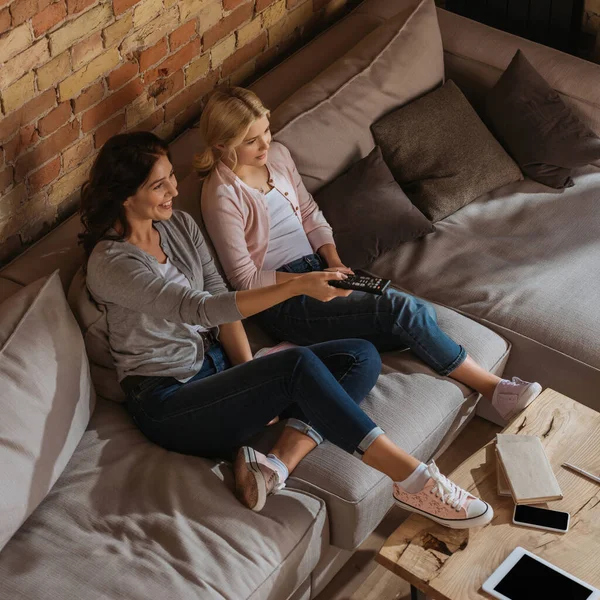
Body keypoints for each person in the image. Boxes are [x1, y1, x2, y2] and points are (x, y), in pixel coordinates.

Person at [80, 131, 494, 529]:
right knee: (295, 364)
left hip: (219, 373)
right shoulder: (112, 263)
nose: (173, 189)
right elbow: (202, 308)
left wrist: (249, 375)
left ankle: (276, 464)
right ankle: (412, 480)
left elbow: (224, 304)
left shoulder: (179, 226)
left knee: (360, 354)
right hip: (169, 401)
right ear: (123, 196)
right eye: (158, 185)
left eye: (171, 176)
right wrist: (295, 285)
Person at [198, 86, 542, 422]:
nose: (265, 144)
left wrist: (332, 262)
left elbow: (308, 213)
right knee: (403, 309)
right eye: (251, 140)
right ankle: (497, 390)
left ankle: (310, 346)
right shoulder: (221, 194)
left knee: (419, 314)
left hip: (321, 271)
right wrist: (306, 283)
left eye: (266, 131)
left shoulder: (278, 156)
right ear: (221, 144)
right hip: (282, 299)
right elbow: (243, 279)